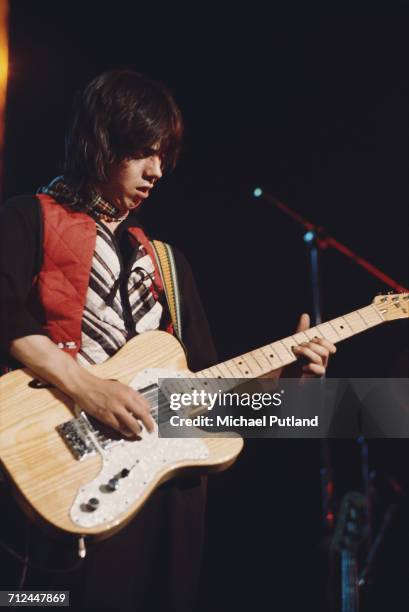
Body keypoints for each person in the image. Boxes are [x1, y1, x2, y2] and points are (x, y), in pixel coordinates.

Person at [0, 69, 336, 611]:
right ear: (101, 142)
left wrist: (288, 380)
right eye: (142, 152)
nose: (157, 170)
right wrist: (89, 389)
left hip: (166, 498)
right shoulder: (27, 219)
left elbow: (206, 398)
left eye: (162, 156)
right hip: (66, 475)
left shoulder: (167, 263)